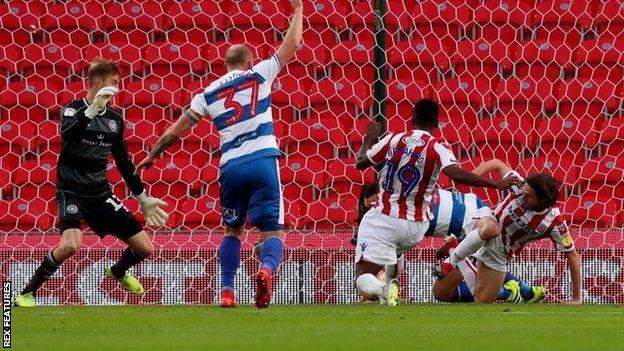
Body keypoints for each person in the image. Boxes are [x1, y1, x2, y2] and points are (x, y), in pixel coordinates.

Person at [134, 0, 304, 309]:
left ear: (225, 64)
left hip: (230, 166)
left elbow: (175, 130)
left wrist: (152, 155)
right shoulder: (260, 74)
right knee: (273, 230)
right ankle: (266, 269)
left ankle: (227, 292)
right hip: (263, 159)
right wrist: (299, 9)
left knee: (232, 230)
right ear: (249, 60)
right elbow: (293, 43)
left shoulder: (207, 93)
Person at [14, 58, 168, 307]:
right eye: (114, 82)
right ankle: (27, 292)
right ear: (98, 83)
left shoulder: (115, 120)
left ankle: (117, 271)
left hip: (100, 192)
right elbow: (69, 134)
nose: (118, 87)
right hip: (71, 190)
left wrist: (143, 199)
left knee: (145, 249)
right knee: (70, 246)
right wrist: (93, 109)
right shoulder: (73, 109)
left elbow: (123, 163)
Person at [352, 99, 521, 306]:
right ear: (437, 122)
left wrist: (369, 137)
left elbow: (360, 163)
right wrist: (496, 184)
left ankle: (384, 288)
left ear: (412, 119)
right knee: (393, 248)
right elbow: (456, 175)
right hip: (416, 227)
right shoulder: (438, 147)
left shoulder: (393, 140)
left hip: (386, 218)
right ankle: (388, 293)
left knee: (361, 278)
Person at [432, 159, 582, 304]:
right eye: (524, 192)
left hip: (499, 254)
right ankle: (452, 260)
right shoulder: (519, 185)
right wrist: (474, 174)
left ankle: (509, 292)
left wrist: (576, 298)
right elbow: (497, 163)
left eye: (529, 197)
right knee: (492, 229)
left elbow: (572, 255)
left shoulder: (554, 223)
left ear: (543, 201)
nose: (524, 197)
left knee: (446, 294)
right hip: (486, 221)